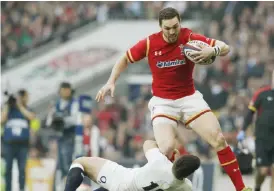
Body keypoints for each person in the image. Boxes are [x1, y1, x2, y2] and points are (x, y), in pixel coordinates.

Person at [96, 7, 250, 191]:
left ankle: (241, 188)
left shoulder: (189, 37)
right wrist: (111, 82)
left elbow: (225, 47)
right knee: (167, 149)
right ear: (160, 27)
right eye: (167, 28)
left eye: (175, 27)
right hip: (163, 102)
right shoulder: (149, 43)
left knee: (218, 139)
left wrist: (213, 50)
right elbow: (124, 59)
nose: (171, 32)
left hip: (189, 98)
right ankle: (150, 173)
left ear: (180, 23)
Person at [64, 140, 200, 191]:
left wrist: (166, 152)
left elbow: (148, 143)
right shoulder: (185, 186)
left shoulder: (160, 162)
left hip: (120, 180)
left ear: (178, 160)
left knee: (81, 162)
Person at [237, 70, 274, 191]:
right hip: (262, 137)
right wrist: (243, 130)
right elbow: (250, 113)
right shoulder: (262, 94)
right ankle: (258, 186)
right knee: (263, 171)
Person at [1, 89, 36, 191]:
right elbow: (1, 119)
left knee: (22, 169)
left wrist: (20, 106)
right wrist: (8, 105)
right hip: (9, 144)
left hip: (23, 145)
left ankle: (21, 189)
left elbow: (32, 117)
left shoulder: (28, 109)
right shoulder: (8, 110)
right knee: (8, 169)